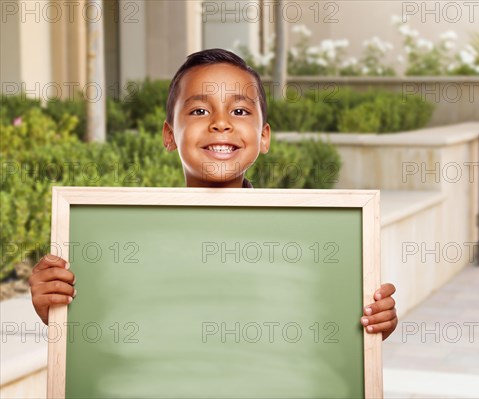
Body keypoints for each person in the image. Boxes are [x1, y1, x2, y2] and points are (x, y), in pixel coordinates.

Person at [28, 48, 398, 340]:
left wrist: (371, 323)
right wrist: (57, 311)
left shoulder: (309, 242)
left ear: (264, 136)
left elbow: (323, 327)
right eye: (200, 109)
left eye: (239, 110)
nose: (221, 123)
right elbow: (111, 331)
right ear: (169, 135)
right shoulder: (125, 244)